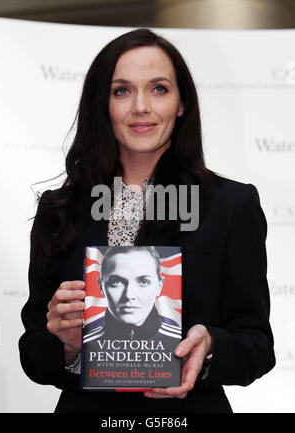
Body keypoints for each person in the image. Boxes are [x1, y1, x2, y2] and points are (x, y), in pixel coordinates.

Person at [19, 28, 275, 413]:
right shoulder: (60, 208)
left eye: (158, 88)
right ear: (101, 104)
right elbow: (34, 350)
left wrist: (207, 349)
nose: (141, 106)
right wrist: (68, 345)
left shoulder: (231, 204)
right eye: (121, 90)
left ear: (182, 103)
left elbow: (256, 346)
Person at [83, 245, 181, 342]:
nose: (129, 295)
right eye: (116, 282)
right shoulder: (86, 343)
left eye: (143, 281)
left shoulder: (178, 341)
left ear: (160, 286)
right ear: (101, 286)